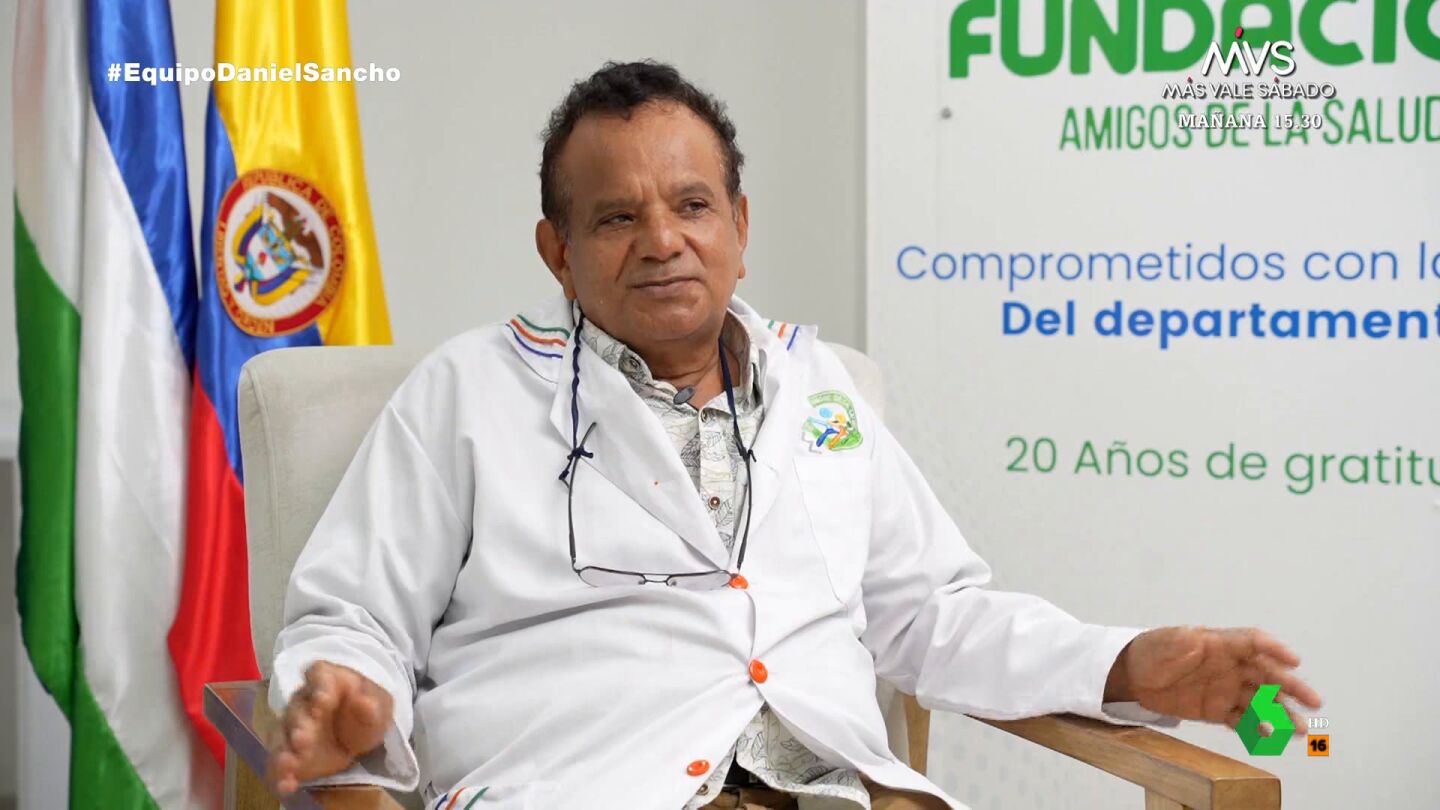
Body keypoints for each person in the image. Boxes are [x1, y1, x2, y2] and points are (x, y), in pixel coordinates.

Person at [265, 61, 1321, 810]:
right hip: (587, 782)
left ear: (740, 226)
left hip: (839, 789)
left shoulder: (818, 389)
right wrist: (346, 699)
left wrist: (1126, 664)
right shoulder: (468, 391)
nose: (664, 241)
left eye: (693, 205)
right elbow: (353, 617)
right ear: (558, 251)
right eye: (617, 217)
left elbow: (932, 618)